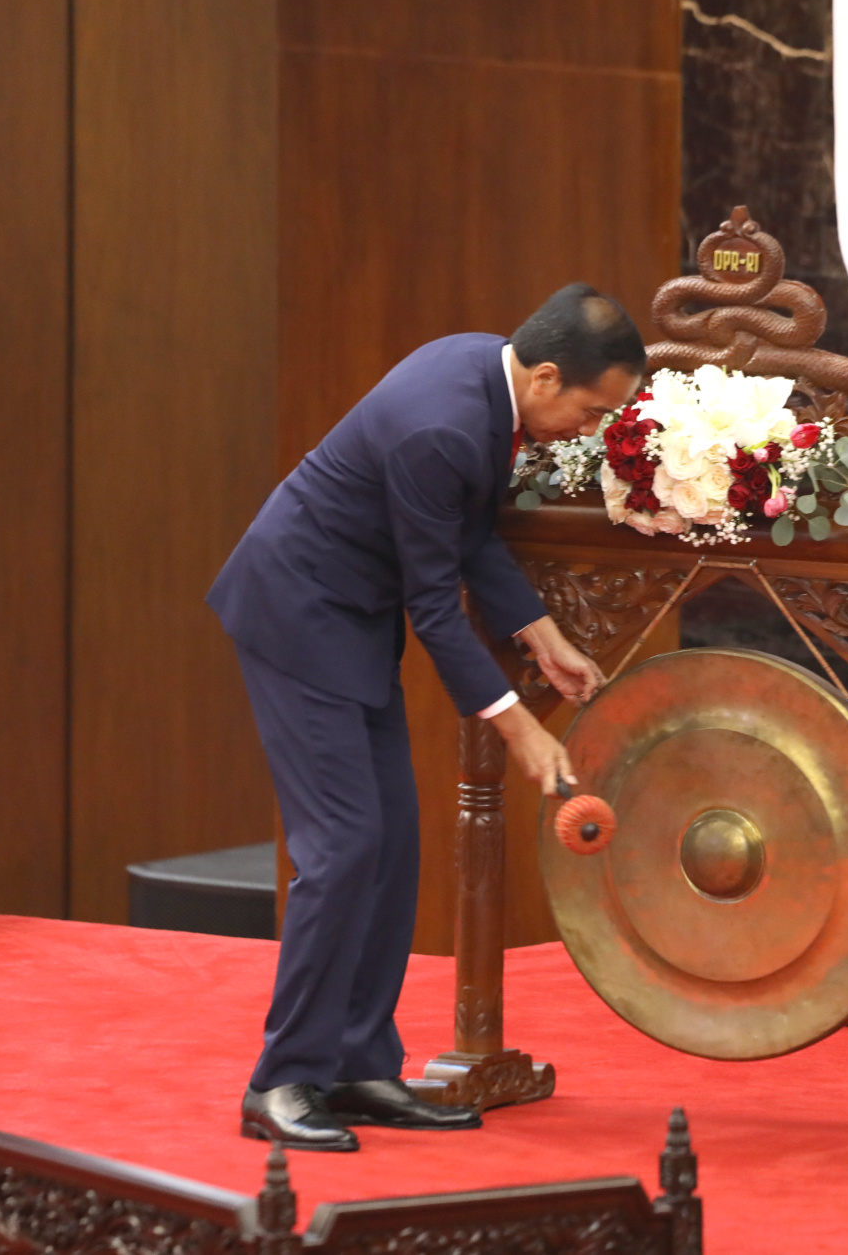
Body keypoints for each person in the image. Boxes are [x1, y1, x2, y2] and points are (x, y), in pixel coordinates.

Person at [206, 283, 644, 1151]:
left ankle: (358, 1066)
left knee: (392, 842)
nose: (590, 429)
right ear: (549, 375)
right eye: (591, 410)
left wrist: (541, 632)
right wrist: (519, 725)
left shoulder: (483, 370)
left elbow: (469, 533)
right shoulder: (444, 420)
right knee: (341, 851)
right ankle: (282, 1079)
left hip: (349, 622)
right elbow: (434, 605)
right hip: (297, 614)